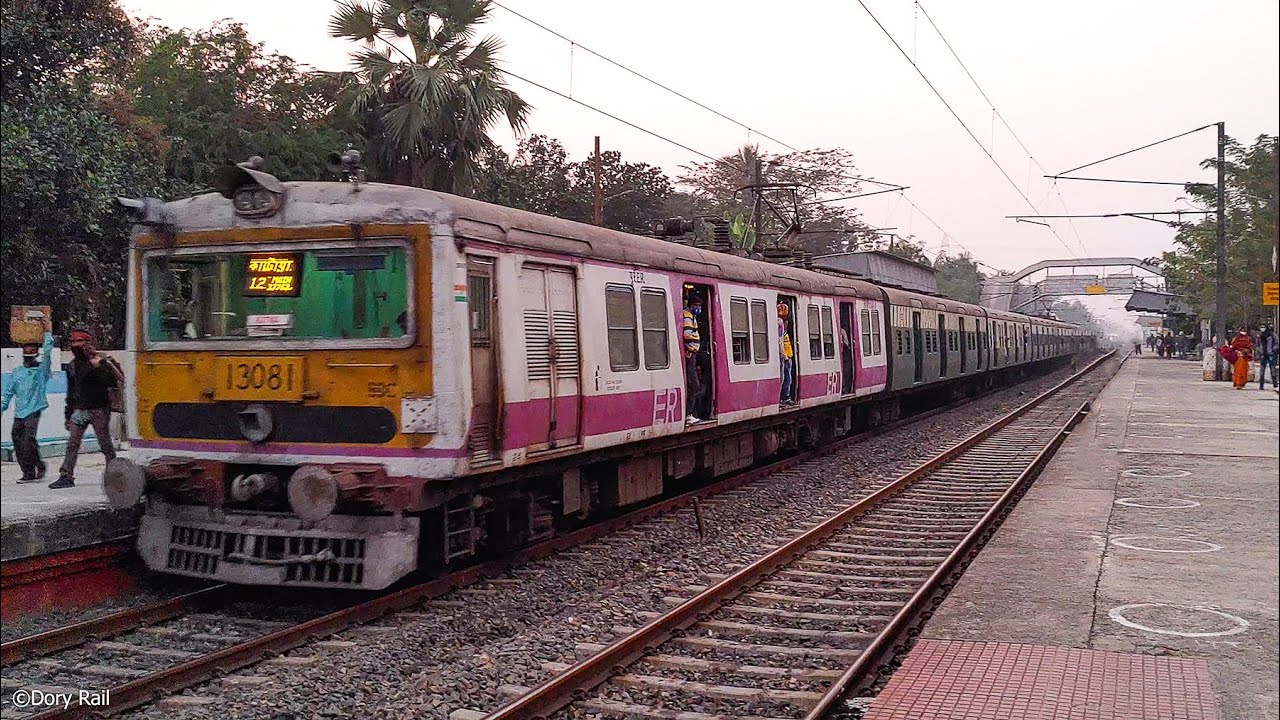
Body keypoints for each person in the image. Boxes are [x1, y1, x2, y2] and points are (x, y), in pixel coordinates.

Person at [52, 328, 123, 489]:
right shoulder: (72, 366)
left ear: (87, 343)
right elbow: (71, 392)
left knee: (105, 444)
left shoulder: (100, 360)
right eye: (73, 342)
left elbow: (112, 381)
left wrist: (98, 367)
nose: (75, 345)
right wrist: (68, 415)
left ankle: (114, 474)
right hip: (80, 409)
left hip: (99, 409)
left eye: (79, 341)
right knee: (72, 443)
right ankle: (66, 475)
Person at [2, 331, 54, 483]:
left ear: (36, 353)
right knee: (17, 440)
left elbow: (48, 354)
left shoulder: (41, 372)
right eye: (27, 348)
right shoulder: (17, 372)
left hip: (34, 410)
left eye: (32, 349)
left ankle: (33, 469)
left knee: (28, 440)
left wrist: (47, 333)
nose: (29, 351)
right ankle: (29, 470)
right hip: (19, 412)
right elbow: (8, 392)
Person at [682, 296, 704, 422]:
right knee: (694, 385)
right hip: (690, 354)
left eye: (700, 306)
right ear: (690, 305)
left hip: (692, 354)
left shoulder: (692, 316)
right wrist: (693, 345)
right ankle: (688, 414)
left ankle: (690, 414)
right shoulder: (687, 316)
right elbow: (687, 335)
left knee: (694, 385)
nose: (698, 308)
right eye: (696, 305)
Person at [778, 303, 795, 405]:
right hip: (785, 357)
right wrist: (784, 355)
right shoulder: (780, 326)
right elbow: (780, 343)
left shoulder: (784, 331)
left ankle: (785, 396)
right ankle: (785, 397)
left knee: (787, 377)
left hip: (788, 355)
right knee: (786, 378)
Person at [1258, 326, 1278, 391]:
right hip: (1263, 354)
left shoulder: (1272, 335)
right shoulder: (1260, 336)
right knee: (1262, 370)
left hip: (1271, 354)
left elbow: (1277, 343)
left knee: (1273, 369)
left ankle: (1275, 384)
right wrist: (1260, 350)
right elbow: (1257, 344)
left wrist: (1273, 349)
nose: (1262, 329)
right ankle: (1261, 385)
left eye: (1263, 327)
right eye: (1261, 327)